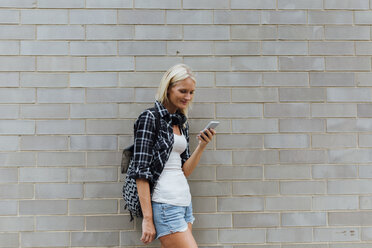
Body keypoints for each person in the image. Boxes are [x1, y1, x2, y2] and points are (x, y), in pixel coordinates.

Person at [128, 64, 216, 248]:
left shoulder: (181, 122)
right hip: (165, 203)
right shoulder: (149, 118)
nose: (188, 97)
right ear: (168, 88)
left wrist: (202, 145)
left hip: (184, 202)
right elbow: (140, 171)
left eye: (191, 92)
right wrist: (148, 219)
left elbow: (185, 170)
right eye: (183, 91)